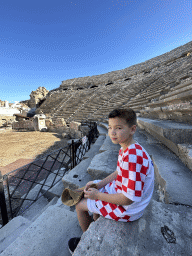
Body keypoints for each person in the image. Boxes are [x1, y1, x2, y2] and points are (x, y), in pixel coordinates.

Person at [68, 108, 154, 254]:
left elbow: (128, 199)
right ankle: (95, 220)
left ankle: (87, 241)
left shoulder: (133, 158)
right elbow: (118, 172)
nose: (112, 132)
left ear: (132, 129)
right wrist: (100, 184)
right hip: (123, 191)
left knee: (79, 205)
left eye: (118, 128)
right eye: (110, 127)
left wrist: (98, 195)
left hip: (129, 210)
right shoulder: (128, 148)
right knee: (92, 185)